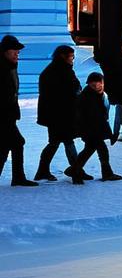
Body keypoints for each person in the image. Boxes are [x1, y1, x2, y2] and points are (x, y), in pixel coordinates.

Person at [34, 46, 82, 182]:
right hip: (60, 115)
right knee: (65, 141)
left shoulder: (56, 70)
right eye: (71, 56)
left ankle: (43, 171)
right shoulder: (58, 72)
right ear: (63, 56)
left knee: (56, 142)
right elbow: (67, 92)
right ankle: (77, 171)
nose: (73, 59)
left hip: (57, 115)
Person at [71, 72, 122, 183]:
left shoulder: (99, 95)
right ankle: (76, 172)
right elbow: (97, 119)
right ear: (89, 85)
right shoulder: (89, 98)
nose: (97, 87)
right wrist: (109, 134)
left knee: (91, 150)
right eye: (94, 85)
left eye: (100, 84)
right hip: (90, 129)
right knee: (98, 150)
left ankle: (75, 170)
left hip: (93, 128)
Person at [0, 34, 37, 186]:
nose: (17, 54)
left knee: (7, 145)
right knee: (15, 143)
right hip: (3, 115)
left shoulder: (10, 66)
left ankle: (18, 177)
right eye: (14, 51)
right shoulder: (2, 68)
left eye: (18, 51)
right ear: (5, 51)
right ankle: (18, 177)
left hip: (8, 114)